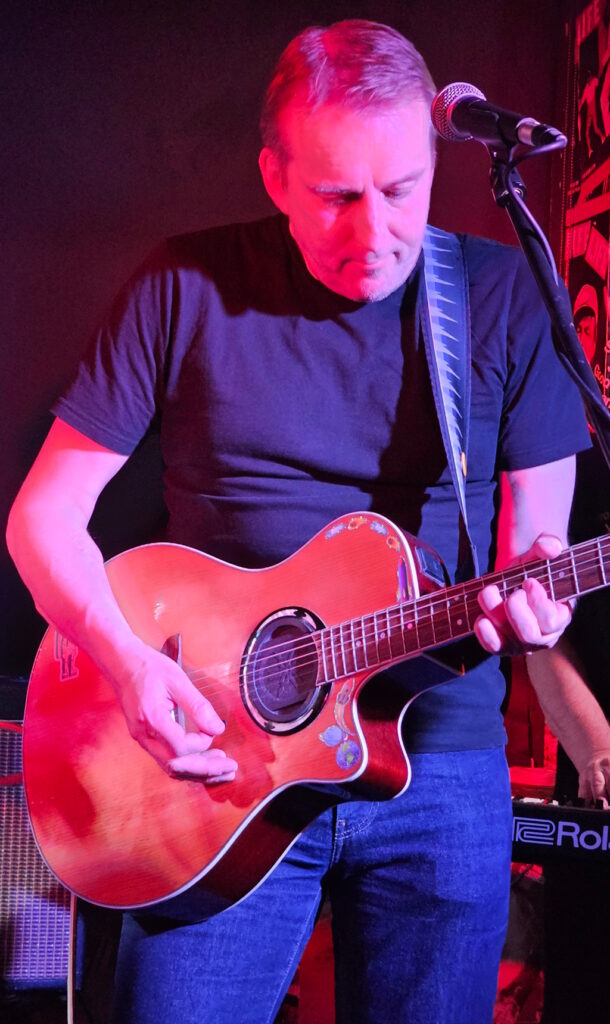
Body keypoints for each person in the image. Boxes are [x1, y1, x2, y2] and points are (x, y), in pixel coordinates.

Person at [6, 19, 592, 1024]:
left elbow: (533, 553)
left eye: (403, 190)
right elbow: (43, 517)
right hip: (205, 756)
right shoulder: (180, 287)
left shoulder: (502, 300)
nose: (375, 232)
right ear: (275, 177)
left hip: (435, 761)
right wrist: (127, 663)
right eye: (336, 197)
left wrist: (537, 600)